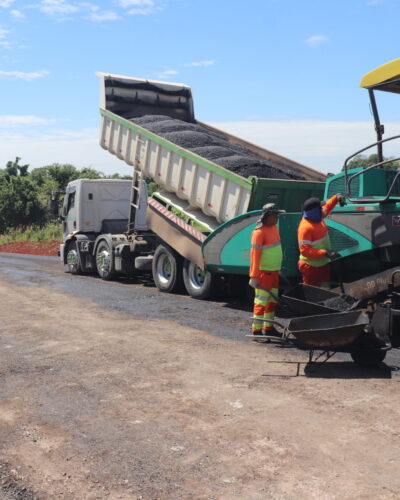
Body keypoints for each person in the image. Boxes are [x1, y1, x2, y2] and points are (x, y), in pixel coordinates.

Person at [249, 203, 285, 336]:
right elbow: (254, 255)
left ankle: (268, 327)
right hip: (264, 273)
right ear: (268, 216)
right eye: (275, 215)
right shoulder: (258, 232)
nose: (277, 217)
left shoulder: (274, 228)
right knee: (261, 302)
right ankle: (256, 330)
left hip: (274, 272)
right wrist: (253, 276)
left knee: (272, 301)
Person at [297, 194, 345, 288]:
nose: (322, 209)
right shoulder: (305, 228)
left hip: (323, 264)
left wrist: (337, 198)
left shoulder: (318, 216)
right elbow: (305, 251)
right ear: (315, 211)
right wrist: (325, 253)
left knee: (325, 290)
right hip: (311, 267)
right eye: (319, 208)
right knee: (313, 293)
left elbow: (328, 206)